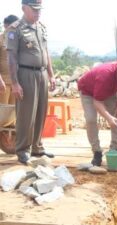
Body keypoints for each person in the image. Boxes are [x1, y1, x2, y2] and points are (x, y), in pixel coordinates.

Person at [6, 0, 56, 164]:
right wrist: (14, 83)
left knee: (41, 112)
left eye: (39, 9)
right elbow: (11, 57)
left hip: (41, 74)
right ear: (24, 8)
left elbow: (46, 52)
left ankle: (37, 147)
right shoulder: (15, 29)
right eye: (34, 9)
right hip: (25, 74)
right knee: (26, 114)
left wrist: (51, 74)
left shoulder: (41, 27)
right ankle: (22, 149)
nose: (37, 12)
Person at [78, 58, 117, 166]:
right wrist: (108, 118)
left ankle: (115, 148)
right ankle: (97, 152)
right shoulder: (105, 75)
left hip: (108, 91)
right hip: (88, 91)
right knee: (91, 119)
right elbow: (97, 102)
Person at [0, 15, 19, 108]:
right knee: (2, 112)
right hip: (3, 82)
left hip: (16, 83)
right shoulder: (0, 39)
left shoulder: (18, 39)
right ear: (6, 26)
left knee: (13, 113)